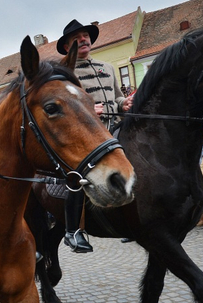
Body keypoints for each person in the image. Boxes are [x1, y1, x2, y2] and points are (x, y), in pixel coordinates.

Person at [56, 19, 135, 253]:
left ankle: (132, 220)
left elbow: (118, 97)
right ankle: (73, 230)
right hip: (86, 135)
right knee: (76, 175)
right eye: (77, 38)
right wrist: (90, 108)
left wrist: (124, 104)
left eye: (86, 36)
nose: (83, 39)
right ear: (67, 46)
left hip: (115, 129)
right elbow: (65, 105)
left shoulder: (107, 67)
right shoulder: (64, 72)